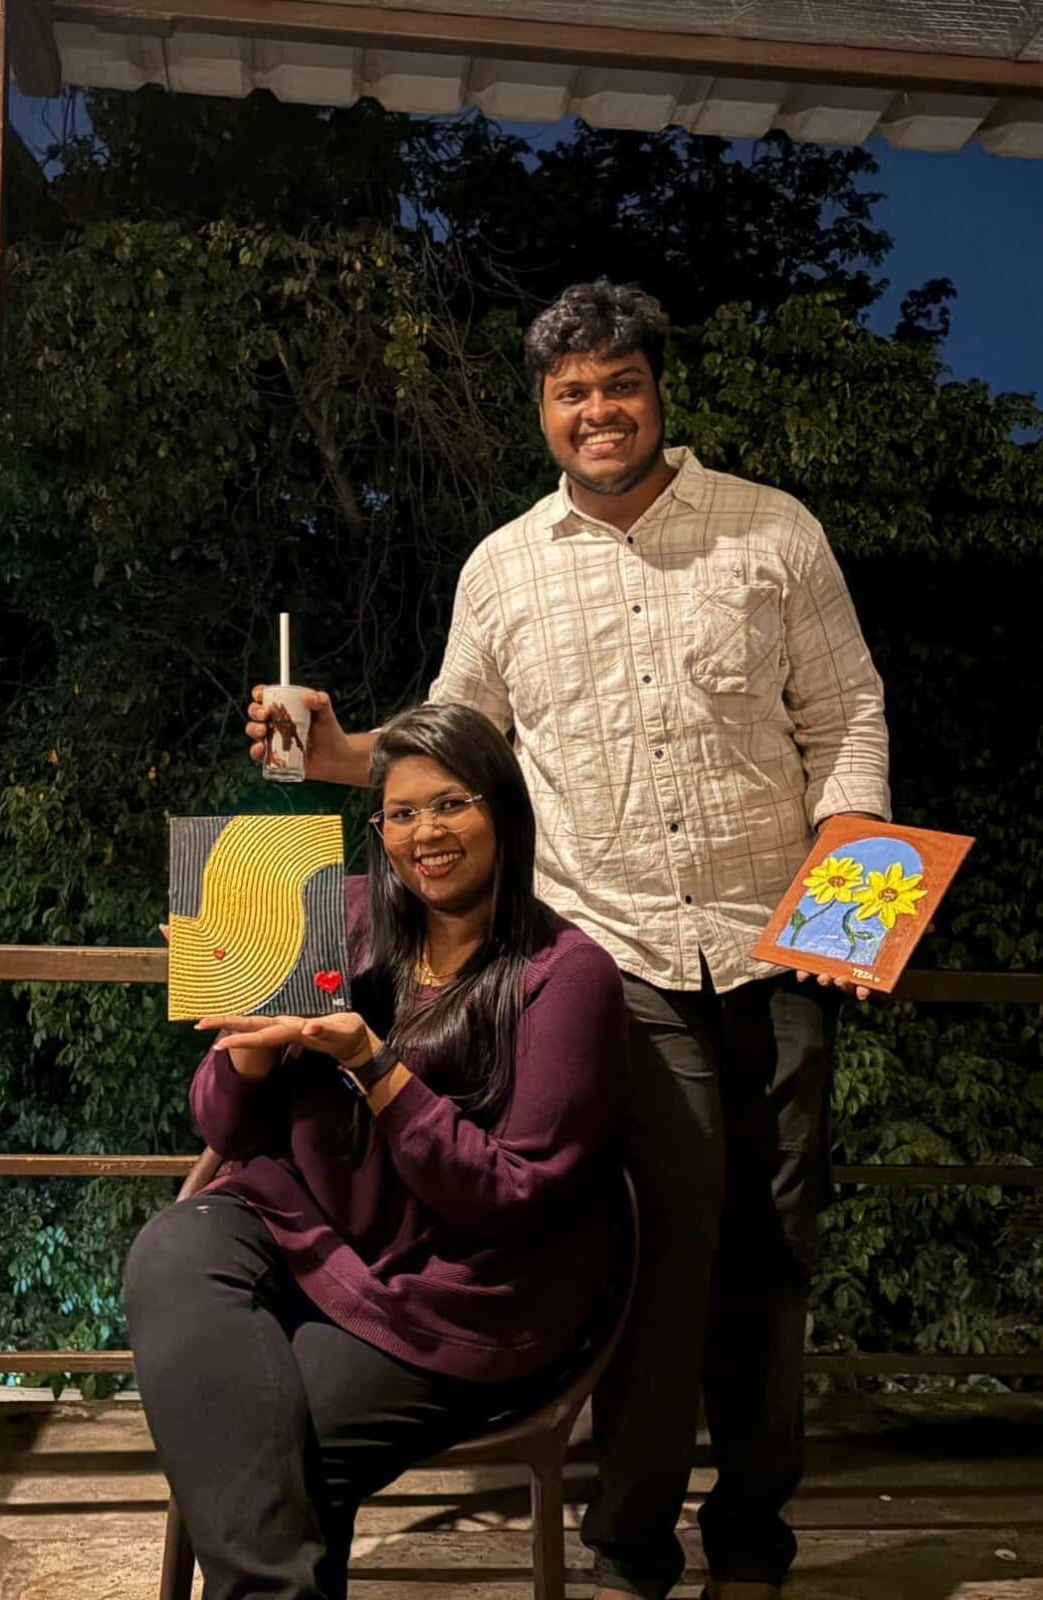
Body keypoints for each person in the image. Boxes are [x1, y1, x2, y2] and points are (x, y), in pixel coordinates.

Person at [245, 281, 892, 1599]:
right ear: (542, 410)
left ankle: (754, 1544)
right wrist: (338, 751)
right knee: (657, 1249)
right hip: (611, 961)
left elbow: (848, 717)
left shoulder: (773, 531)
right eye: (571, 392)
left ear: (658, 390)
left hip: (785, 947)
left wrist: (850, 877)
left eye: (620, 384)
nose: (599, 410)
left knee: (773, 1255)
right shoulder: (504, 566)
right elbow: (451, 749)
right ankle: (628, 1550)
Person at [125, 701, 628, 1600]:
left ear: (505, 812)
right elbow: (227, 1129)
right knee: (172, 1249)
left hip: (461, 1287)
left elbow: (507, 1195)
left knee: (273, 1455)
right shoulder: (340, 913)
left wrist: (371, 1061)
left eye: (451, 804)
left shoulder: (565, 975)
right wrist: (249, 1044)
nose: (425, 833)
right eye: (401, 813)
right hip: (305, 1226)